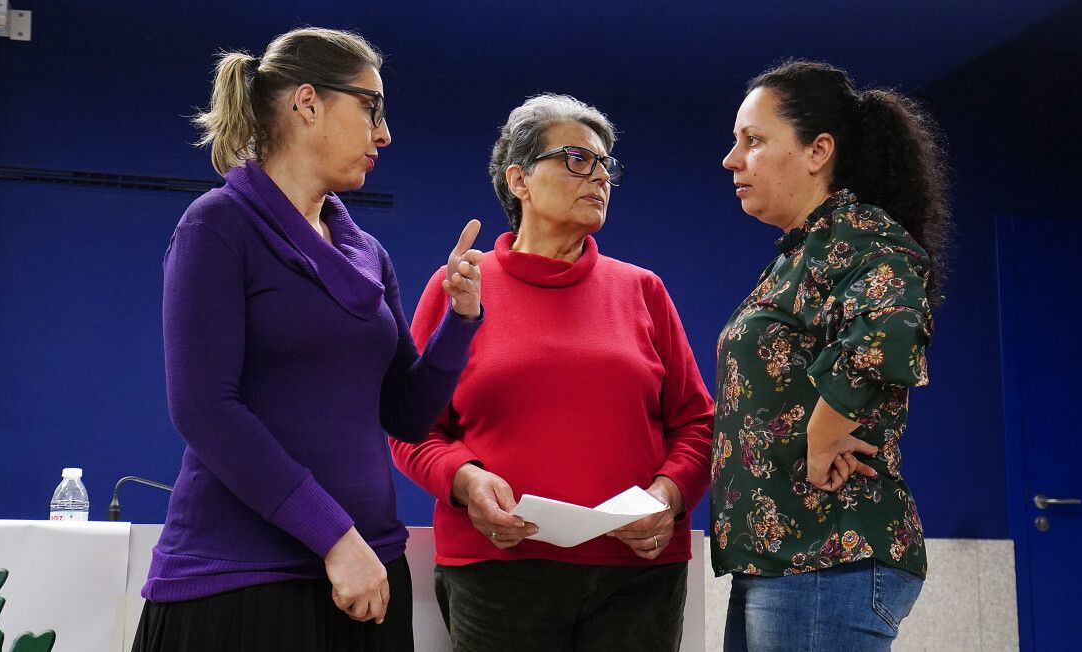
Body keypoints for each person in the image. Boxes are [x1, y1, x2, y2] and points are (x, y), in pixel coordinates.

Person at [133, 27, 484, 652]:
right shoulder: (217, 225)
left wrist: (460, 323)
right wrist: (332, 536)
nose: (385, 134)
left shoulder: (367, 253)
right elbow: (204, 410)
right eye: (371, 106)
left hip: (369, 574)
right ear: (307, 103)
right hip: (243, 578)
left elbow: (405, 414)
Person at [391, 94, 714, 652]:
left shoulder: (642, 289)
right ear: (519, 179)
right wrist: (466, 482)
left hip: (638, 575)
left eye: (606, 164)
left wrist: (671, 494)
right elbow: (411, 427)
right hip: (497, 575)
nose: (600, 176)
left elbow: (698, 425)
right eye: (576, 158)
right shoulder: (461, 288)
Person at [711, 60, 949, 651]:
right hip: (784, 558)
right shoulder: (801, 254)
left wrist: (823, 434)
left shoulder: (861, 235)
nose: (732, 159)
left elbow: (889, 324)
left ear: (818, 150)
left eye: (754, 141)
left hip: (827, 552)